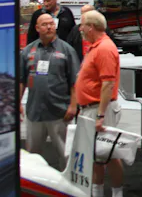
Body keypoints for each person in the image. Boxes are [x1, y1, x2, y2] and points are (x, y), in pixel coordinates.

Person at [19, 13, 80, 170]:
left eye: (51, 24)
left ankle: (67, 183)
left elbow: (75, 82)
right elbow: (21, 80)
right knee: (32, 156)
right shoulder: (28, 51)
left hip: (59, 111)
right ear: (37, 28)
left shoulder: (67, 50)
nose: (49, 27)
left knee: (65, 154)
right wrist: (17, 103)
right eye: (44, 24)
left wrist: (73, 106)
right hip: (35, 112)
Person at [75, 10, 123, 197]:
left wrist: (101, 115)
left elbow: (108, 84)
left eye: (82, 25)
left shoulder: (104, 48)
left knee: (109, 154)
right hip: (92, 108)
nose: (80, 29)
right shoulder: (96, 47)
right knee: (97, 155)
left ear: (91, 27)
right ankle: (97, 192)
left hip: (100, 109)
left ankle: (117, 194)